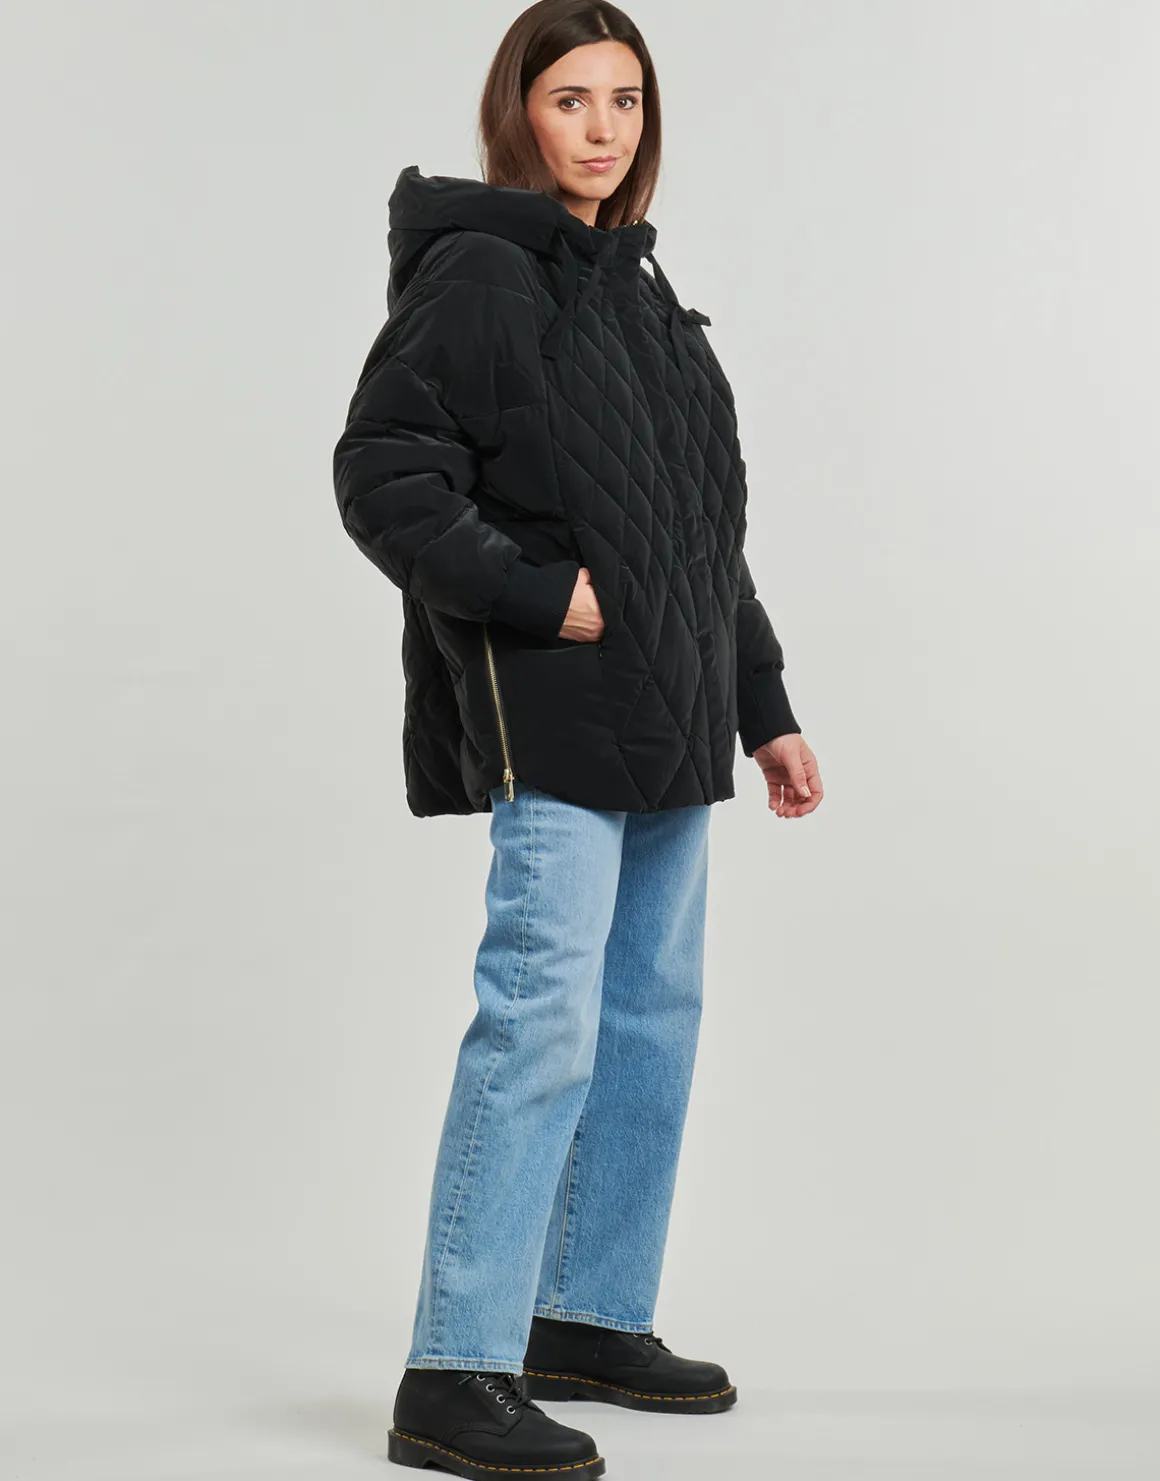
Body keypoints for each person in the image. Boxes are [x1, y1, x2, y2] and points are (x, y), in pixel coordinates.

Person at [332, 3, 824, 1476]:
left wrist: (766, 707)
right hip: (554, 711)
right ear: (519, 114)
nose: (601, 128)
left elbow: (698, 531)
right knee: (541, 1020)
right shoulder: (484, 273)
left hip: (674, 714)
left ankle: (585, 1314)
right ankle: (454, 1367)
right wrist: (541, 595)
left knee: (651, 1018)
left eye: (624, 100)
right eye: (569, 99)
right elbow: (383, 473)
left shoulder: (637, 290)